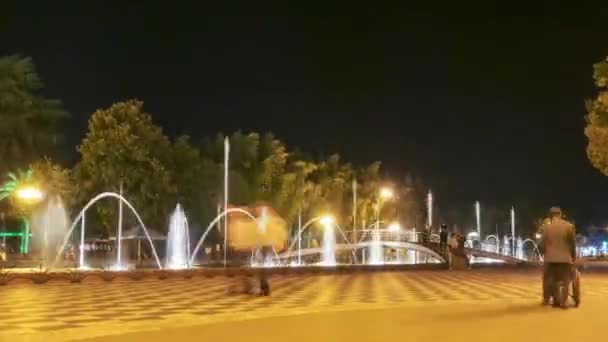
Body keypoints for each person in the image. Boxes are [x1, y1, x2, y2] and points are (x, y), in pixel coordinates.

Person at [540, 207, 576, 306]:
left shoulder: (547, 228)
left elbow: (541, 244)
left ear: (550, 216)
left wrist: (544, 253)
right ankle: (564, 302)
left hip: (550, 259)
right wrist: (573, 258)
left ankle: (546, 300)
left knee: (548, 279)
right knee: (565, 281)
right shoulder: (569, 226)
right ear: (560, 214)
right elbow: (573, 244)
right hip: (565, 259)